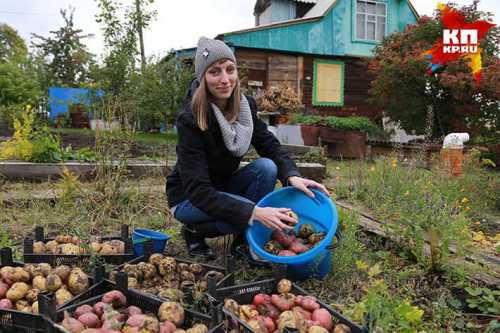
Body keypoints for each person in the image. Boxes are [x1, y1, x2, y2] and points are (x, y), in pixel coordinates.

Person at [166, 37, 329, 260]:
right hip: (189, 198)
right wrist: (254, 212)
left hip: (222, 187)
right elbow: (199, 192)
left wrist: (292, 176)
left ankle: (243, 242)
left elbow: (268, 144)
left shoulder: (244, 107)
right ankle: (194, 230)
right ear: (203, 77)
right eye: (215, 72)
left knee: (267, 167)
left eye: (230, 70)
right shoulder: (191, 119)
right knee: (245, 211)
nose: (225, 79)